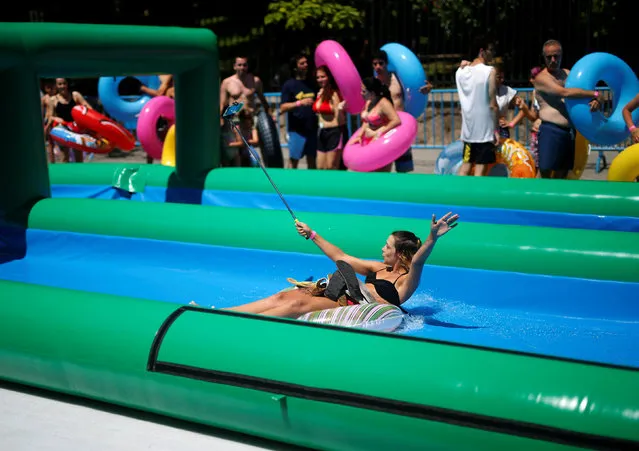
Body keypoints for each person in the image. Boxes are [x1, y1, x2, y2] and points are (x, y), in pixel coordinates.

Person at [220, 211, 459, 318]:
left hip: (355, 302)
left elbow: (418, 262)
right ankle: (219, 314)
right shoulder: (377, 268)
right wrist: (312, 234)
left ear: (400, 254)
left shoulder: (406, 282)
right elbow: (341, 256)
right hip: (344, 291)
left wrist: (432, 238)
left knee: (299, 303)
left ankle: (243, 324)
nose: (382, 249)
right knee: (283, 298)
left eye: (387, 246)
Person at [532, 39, 600, 179]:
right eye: (549, 57)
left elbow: (583, 92)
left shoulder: (568, 74)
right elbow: (564, 93)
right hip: (550, 129)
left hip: (569, 131)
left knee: (562, 173)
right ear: (543, 57)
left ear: (562, 55)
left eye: (556, 56)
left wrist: (594, 100)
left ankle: (557, 201)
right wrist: (595, 94)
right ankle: (540, 200)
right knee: (545, 171)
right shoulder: (541, 78)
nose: (553, 60)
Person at [372, 50, 432, 173]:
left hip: (401, 126)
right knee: (383, 169)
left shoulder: (398, 78)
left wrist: (427, 88)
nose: (378, 67)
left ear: (387, 64)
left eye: (381, 63)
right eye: (375, 64)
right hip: (384, 128)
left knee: (404, 170)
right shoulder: (373, 84)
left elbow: (416, 89)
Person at [455, 39, 499, 177]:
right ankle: (476, 198)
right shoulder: (489, 71)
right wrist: (496, 129)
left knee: (466, 165)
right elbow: (493, 104)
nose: (493, 54)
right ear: (482, 51)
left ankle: (457, 195)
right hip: (485, 131)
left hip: (468, 131)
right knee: (480, 170)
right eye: (491, 50)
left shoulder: (460, 72)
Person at [350, 77, 402, 172]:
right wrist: (359, 135)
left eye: (364, 91)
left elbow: (396, 120)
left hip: (382, 142)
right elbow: (367, 121)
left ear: (372, 93)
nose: (361, 93)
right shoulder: (369, 102)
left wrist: (378, 132)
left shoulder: (384, 103)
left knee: (380, 175)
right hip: (369, 141)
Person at [280, 53, 318, 169]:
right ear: (295, 67)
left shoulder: (312, 83)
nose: (306, 65)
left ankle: (312, 186)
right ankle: (288, 185)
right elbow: (282, 107)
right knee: (293, 162)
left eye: (306, 62)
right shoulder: (289, 85)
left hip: (312, 129)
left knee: (312, 161)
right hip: (297, 130)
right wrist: (299, 103)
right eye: (302, 63)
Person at [45, 78, 94, 163]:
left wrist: (86, 114)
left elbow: (88, 108)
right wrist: (55, 119)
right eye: (60, 84)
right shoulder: (53, 100)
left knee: (79, 157)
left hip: (76, 128)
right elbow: (49, 116)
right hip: (62, 129)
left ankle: (79, 175)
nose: (62, 86)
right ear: (56, 86)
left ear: (67, 84)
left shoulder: (75, 95)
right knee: (65, 156)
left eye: (64, 83)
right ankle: (64, 175)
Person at [313, 65, 348, 169]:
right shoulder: (320, 93)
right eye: (318, 77)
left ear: (329, 77)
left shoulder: (336, 93)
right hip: (321, 131)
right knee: (320, 167)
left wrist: (341, 109)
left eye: (323, 76)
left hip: (335, 131)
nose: (320, 79)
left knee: (331, 166)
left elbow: (340, 114)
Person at [220, 56, 270, 121]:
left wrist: (270, 116)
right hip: (235, 118)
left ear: (247, 66)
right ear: (234, 66)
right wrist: (221, 119)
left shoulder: (255, 81)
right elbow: (222, 104)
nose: (242, 67)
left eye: (244, 65)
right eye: (239, 65)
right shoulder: (227, 82)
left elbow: (263, 101)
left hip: (251, 117)